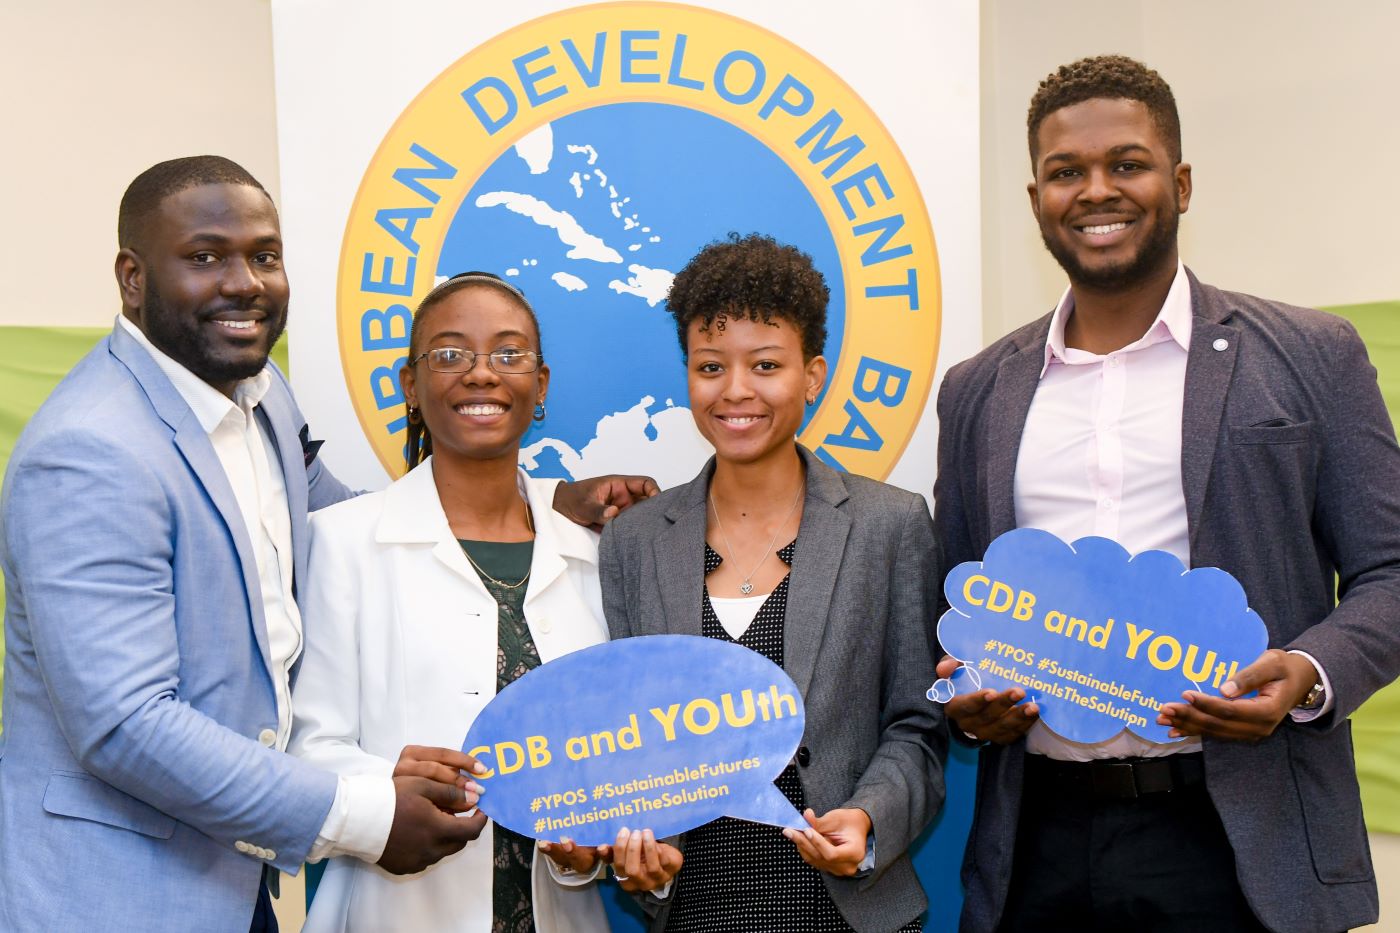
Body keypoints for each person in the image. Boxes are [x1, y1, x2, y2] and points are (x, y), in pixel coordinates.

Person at [0, 157, 655, 932]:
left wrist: (545, 504)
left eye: (264, 256)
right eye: (205, 256)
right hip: (117, 895)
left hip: (230, 878)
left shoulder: (259, 394)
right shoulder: (91, 450)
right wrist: (364, 813)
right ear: (132, 277)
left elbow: (356, 520)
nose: (243, 282)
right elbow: (126, 725)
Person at [932, 56, 1400, 933]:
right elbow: (956, 598)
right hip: (1038, 838)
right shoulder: (977, 390)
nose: (1096, 190)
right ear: (1036, 199)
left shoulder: (1311, 354)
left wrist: (1306, 674)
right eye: (1067, 172)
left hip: (1241, 833)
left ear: (1179, 183)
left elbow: (1394, 569)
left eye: (1128, 164)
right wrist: (968, 697)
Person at [599, 233, 947, 932]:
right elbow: (626, 742)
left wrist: (871, 815)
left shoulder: (891, 525)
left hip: (845, 910)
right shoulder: (633, 542)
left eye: (765, 364)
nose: (735, 391)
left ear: (812, 374)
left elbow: (918, 723)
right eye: (709, 366)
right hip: (695, 907)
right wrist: (639, 847)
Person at [288, 272, 616, 931]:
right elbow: (302, 750)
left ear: (541, 385)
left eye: (507, 353)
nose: (480, 373)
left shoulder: (598, 557)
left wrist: (586, 855)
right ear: (411, 385)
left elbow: (617, 772)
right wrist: (385, 788)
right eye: (449, 353)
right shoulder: (343, 544)